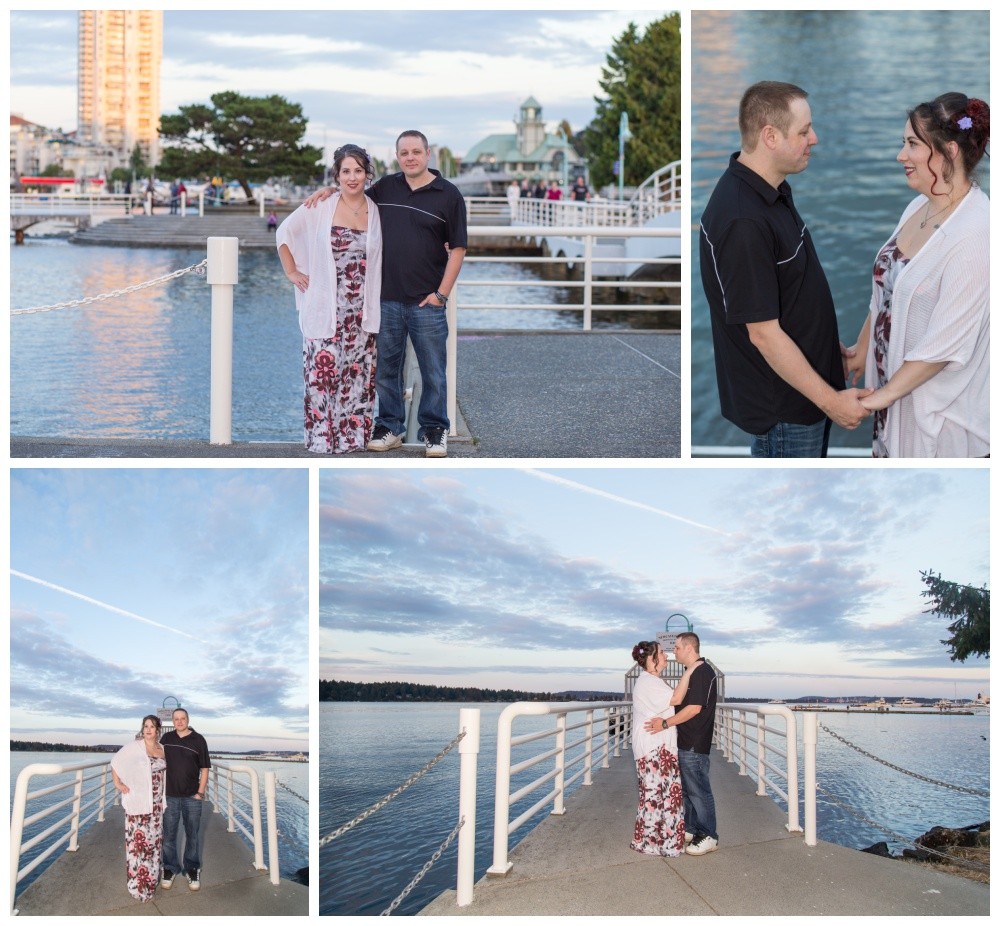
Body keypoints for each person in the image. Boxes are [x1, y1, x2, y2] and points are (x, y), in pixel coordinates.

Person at [700, 81, 871, 457]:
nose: (816, 138)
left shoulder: (771, 190)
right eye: (805, 131)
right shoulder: (742, 220)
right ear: (770, 136)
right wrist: (833, 402)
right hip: (785, 414)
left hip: (804, 396)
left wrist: (828, 351)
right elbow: (763, 334)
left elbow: (789, 292)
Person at [305, 130, 467, 457]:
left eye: (416, 152)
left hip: (427, 301)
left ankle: (434, 430)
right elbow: (351, 192)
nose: (410, 157)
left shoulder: (449, 195)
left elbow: (459, 249)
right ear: (398, 156)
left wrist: (441, 294)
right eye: (404, 152)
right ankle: (391, 425)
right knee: (386, 370)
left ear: (427, 154)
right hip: (386, 300)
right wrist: (328, 189)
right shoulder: (385, 188)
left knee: (433, 370)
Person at [844, 93, 990, 457]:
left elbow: (942, 348)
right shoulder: (918, 206)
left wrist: (872, 403)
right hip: (891, 403)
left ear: (949, 151)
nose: (901, 155)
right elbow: (888, 289)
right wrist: (862, 348)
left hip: (942, 425)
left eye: (912, 144)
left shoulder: (977, 234)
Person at [277, 145, 382, 454]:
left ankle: (352, 442)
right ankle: (323, 443)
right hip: (325, 309)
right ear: (337, 175)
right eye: (345, 171)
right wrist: (292, 271)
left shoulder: (376, 211)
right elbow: (284, 233)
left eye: (358, 171)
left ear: (367, 174)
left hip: (361, 315)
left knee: (356, 380)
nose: (352, 177)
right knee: (322, 380)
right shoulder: (321, 206)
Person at [645, 633, 719, 856]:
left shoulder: (703, 673)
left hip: (695, 743)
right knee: (688, 790)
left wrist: (665, 723)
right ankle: (692, 828)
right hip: (685, 742)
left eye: (676, 647)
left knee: (699, 791)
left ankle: (709, 835)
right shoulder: (693, 672)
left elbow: (694, 709)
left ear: (689, 648)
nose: (672, 652)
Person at [629, 640, 693, 857]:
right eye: (662, 653)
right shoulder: (648, 682)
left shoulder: (651, 681)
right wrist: (690, 670)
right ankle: (656, 843)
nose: (666, 656)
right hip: (654, 748)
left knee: (657, 796)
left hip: (656, 747)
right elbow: (676, 698)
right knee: (658, 796)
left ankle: (655, 841)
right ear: (652, 659)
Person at [110, 715, 167, 902]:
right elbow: (116, 762)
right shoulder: (135, 746)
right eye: (145, 726)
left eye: (152, 726)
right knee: (139, 845)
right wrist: (118, 784)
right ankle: (138, 886)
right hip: (139, 803)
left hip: (156, 806)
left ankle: (151, 882)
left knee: (153, 845)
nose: (148, 729)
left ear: (158, 729)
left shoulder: (162, 749)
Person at [159, 707, 211, 892]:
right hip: (170, 796)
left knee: (193, 835)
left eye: (183, 718)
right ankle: (170, 868)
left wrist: (200, 793)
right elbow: (154, 760)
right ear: (172, 721)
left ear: (188, 719)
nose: (179, 722)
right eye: (176, 719)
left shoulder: (199, 740)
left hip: (192, 796)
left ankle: (192, 869)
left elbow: (205, 768)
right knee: (169, 836)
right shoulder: (166, 739)